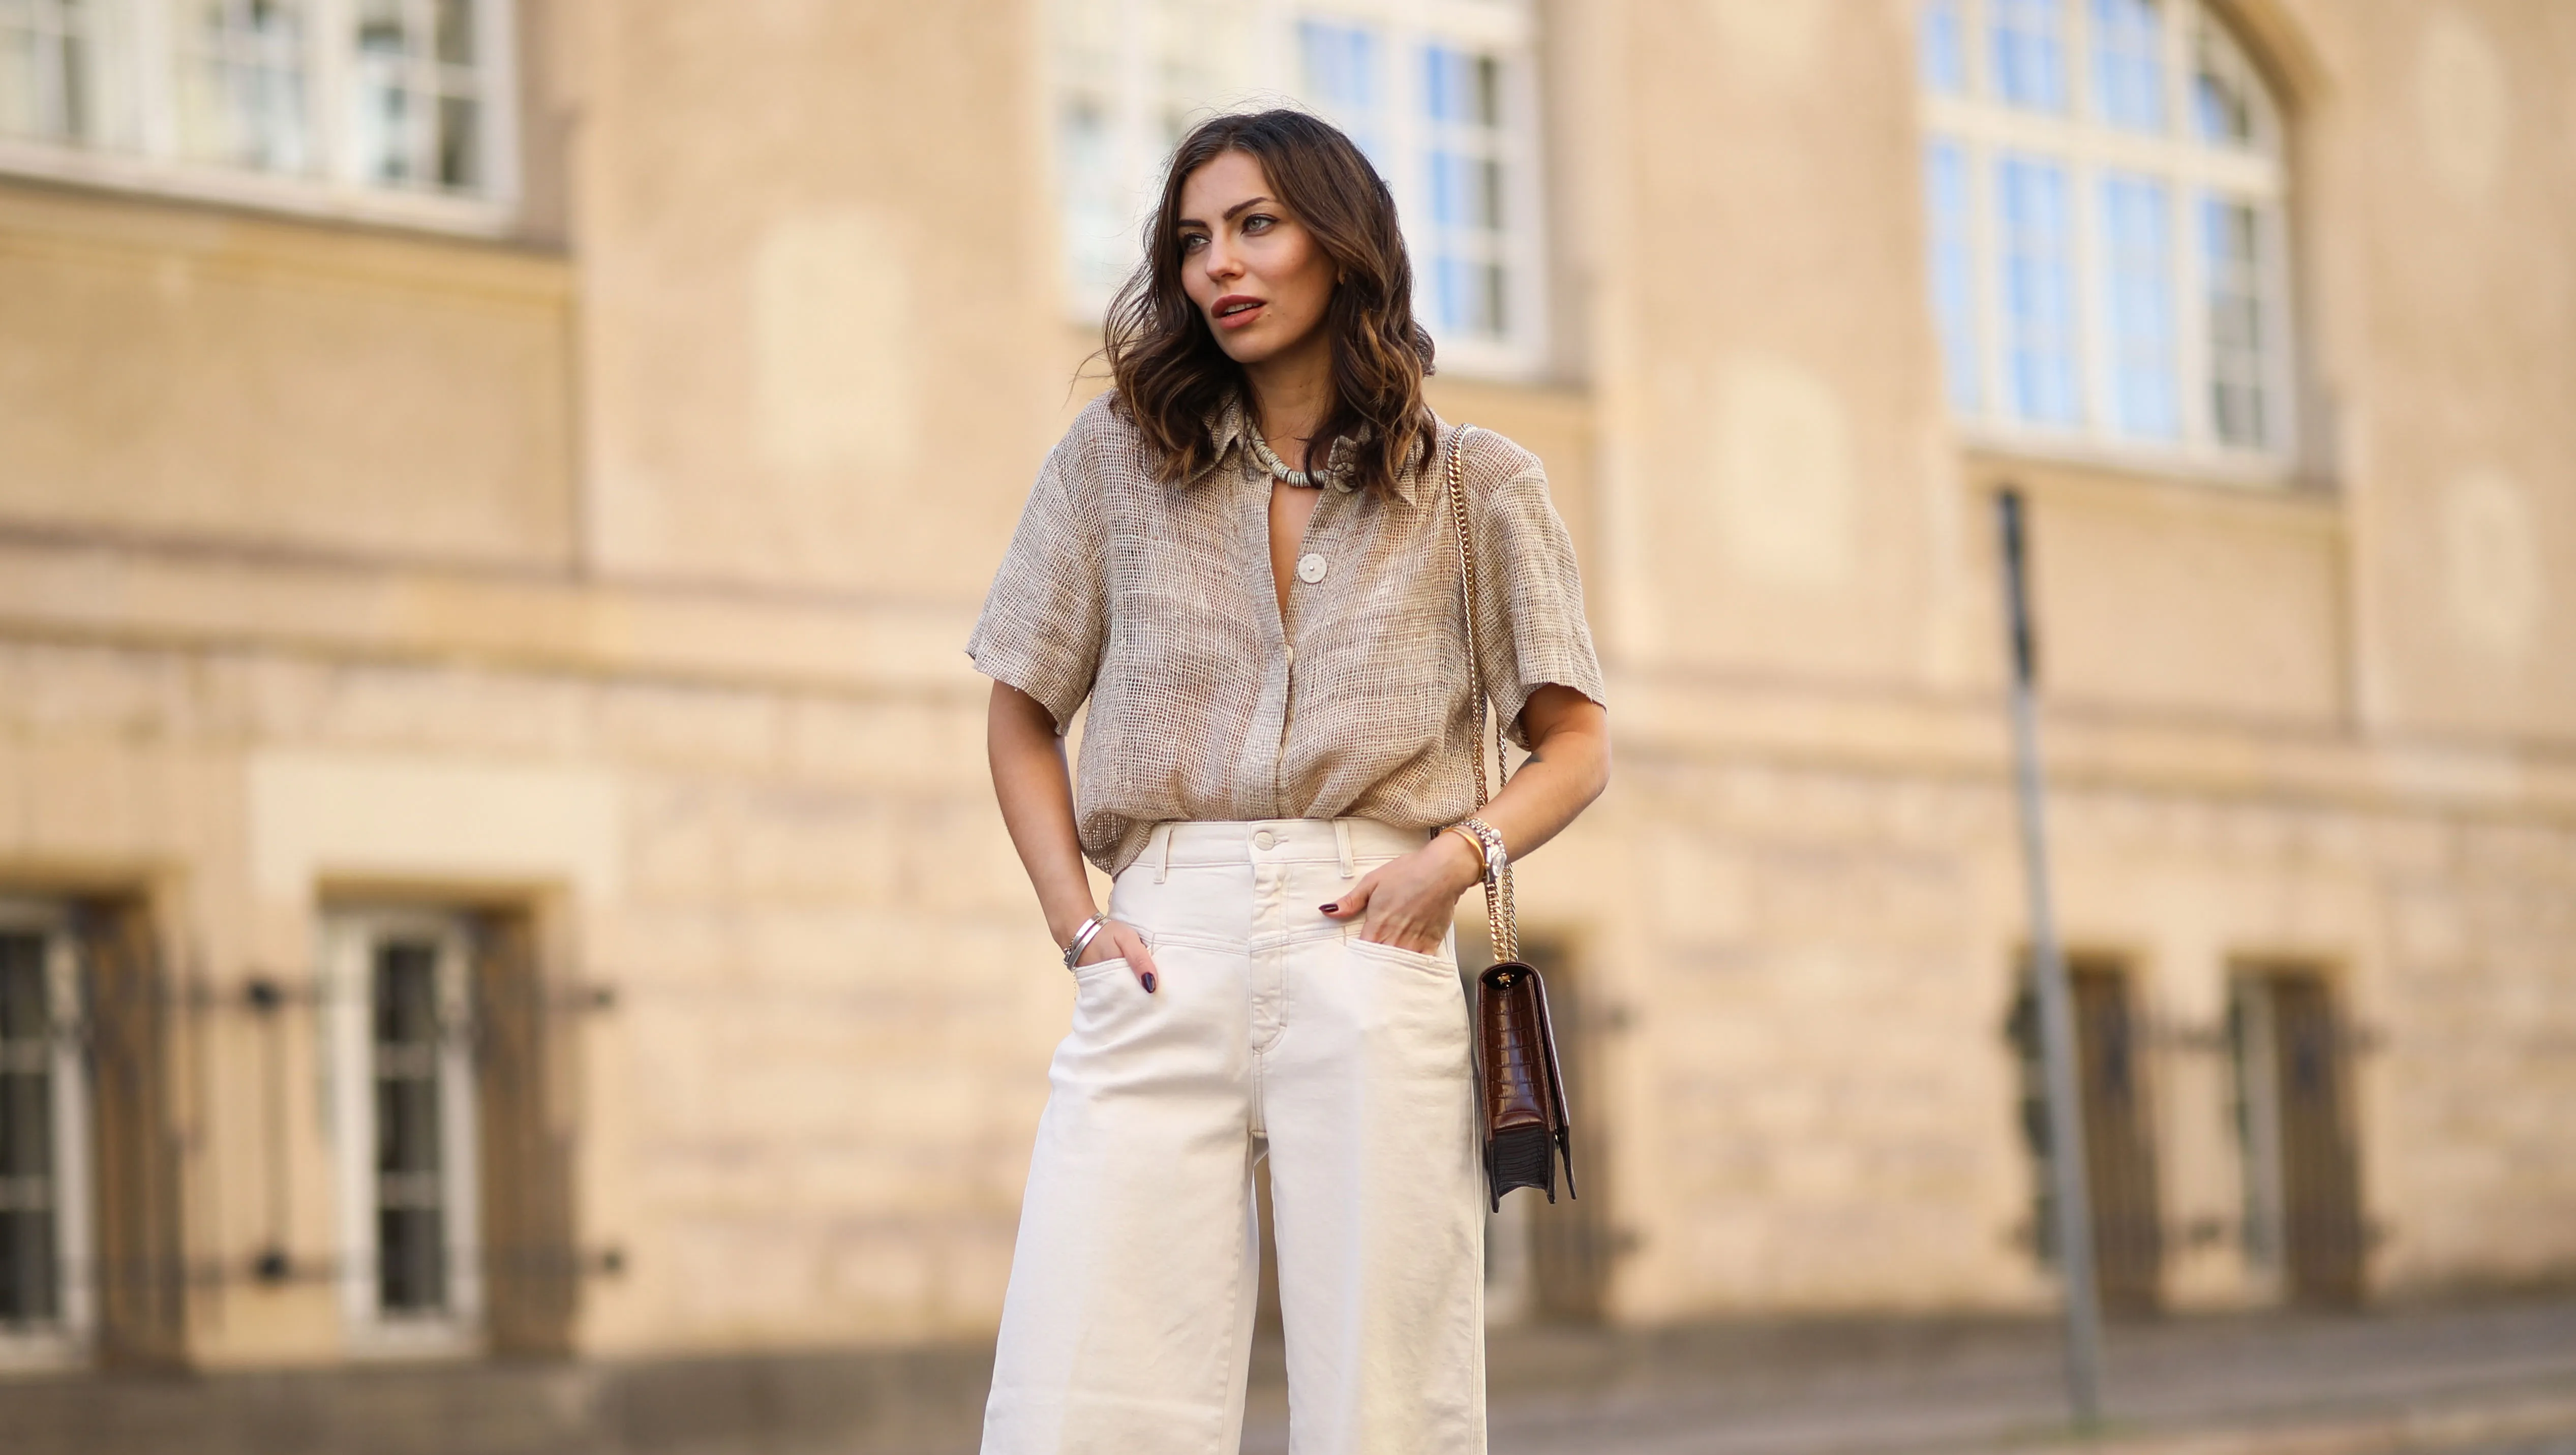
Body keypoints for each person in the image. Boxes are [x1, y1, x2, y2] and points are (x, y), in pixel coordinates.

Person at [967, 108, 1611, 1455]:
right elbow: (1020, 709)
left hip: (1367, 931)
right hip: (1158, 946)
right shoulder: (1113, 464)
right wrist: (1076, 923)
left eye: (1256, 225)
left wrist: (1452, 861)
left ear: (1340, 244)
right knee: (1081, 1392)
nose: (1220, 265)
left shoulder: (1478, 488)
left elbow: (1577, 745)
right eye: (1194, 239)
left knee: (1387, 1402)